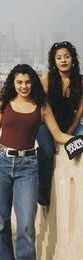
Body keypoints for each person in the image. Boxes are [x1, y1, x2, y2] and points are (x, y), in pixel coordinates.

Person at [0, 64, 74, 260]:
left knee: (25, 227)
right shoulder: (2, 103)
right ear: (13, 83)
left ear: (33, 82)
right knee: (1, 224)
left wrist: (78, 140)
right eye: (19, 82)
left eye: (28, 82)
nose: (24, 86)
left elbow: (58, 134)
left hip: (28, 167)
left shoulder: (41, 105)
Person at [36, 41, 83, 206]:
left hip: (71, 124)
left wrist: (68, 134)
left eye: (67, 57)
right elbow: (41, 109)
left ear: (73, 59)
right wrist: (55, 134)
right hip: (45, 125)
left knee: (81, 141)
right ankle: (42, 189)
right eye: (59, 58)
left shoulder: (81, 81)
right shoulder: (47, 80)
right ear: (54, 61)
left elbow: (80, 112)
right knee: (47, 151)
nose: (63, 60)